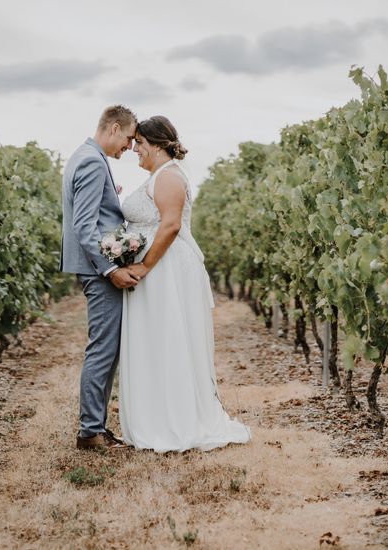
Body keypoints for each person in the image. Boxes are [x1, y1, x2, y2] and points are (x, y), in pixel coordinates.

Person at [117, 115, 251, 452]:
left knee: (170, 339)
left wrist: (145, 266)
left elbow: (171, 225)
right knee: (157, 340)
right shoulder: (159, 176)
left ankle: (176, 422)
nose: (136, 150)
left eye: (141, 145)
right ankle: (157, 416)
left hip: (168, 271)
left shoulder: (169, 177)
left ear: (159, 145)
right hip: (161, 271)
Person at [60, 105, 138, 450]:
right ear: (115, 128)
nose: (130, 146)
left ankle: (95, 426)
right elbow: (84, 226)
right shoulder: (92, 161)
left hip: (92, 267)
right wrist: (110, 269)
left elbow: (92, 213)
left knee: (106, 348)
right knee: (103, 349)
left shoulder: (85, 155)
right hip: (97, 270)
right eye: (129, 138)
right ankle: (90, 430)